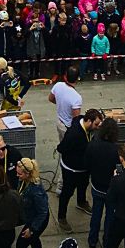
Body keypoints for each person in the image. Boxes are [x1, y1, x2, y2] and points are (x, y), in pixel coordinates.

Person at [57, 107, 101, 230]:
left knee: (83, 185)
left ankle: (81, 202)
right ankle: (61, 217)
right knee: (67, 192)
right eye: (96, 124)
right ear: (89, 121)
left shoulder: (81, 119)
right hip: (71, 169)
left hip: (84, 168)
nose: (97, 127)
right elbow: (61, 148)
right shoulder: (74, 134)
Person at [87, 117, 121, 248]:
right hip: (110, 188)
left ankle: (92, 240)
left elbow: (87, 163)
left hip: (96, 185)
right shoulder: (116, 150)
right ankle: (107, 240)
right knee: (110, 217)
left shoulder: (92, 145)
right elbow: (119, 170)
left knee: (96, 214)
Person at [49, 64, 83, 192]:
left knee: (65, 152)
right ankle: (61, 185)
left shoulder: (58, 86)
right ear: (77, 78)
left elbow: (51, 98)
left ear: (65, 76)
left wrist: (61, 104)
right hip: (68, 128)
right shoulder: (76, 97)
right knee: (68, 156)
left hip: (59, 122)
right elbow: (76, 119)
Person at [16, 157, 50, 248]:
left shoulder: (36, 191)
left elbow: (43, 212)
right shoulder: (25, 182)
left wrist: (31, 229)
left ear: (27, 174)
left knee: (20, 246)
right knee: (34, 239)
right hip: (32, 216)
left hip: (38, 220)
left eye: (20, 174)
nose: (17, 176)